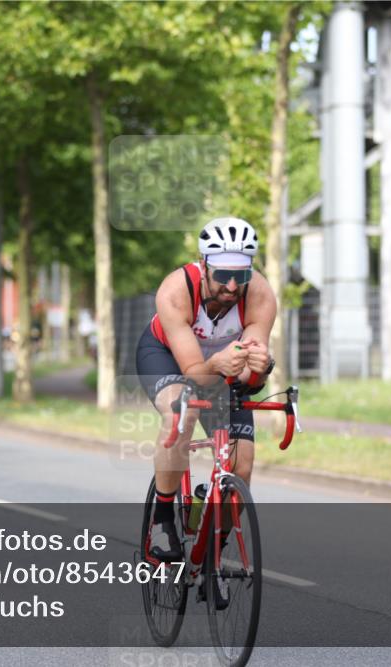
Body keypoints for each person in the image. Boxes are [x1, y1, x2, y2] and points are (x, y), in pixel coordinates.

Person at [136, 217, 276, 563]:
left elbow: (250, 383)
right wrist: (216, 366)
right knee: (181, 413)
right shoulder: (175, 291)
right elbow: (196, 372)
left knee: (241, 463)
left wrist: (259, 370)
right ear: (204, 266)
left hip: (224, 366)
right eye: (223, 275)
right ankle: (164, 519)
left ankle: (214, 550)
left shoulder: (259, 295)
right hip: (169, 357)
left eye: (240, 275)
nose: (231, 286)